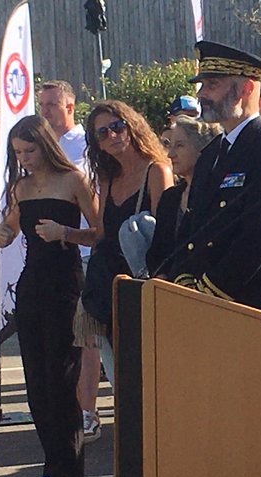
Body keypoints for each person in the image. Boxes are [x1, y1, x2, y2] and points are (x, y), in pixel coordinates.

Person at [0, 115, 100, 477]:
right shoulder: (21, 187)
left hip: (65, 284)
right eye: (18, 153)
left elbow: (102, 231)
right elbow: (10, 227)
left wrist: (66, 233)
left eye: (30, 150)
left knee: (61, 381)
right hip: (32, 284)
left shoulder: (74, 180)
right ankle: (53, 469)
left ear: (45, 145)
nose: (25, 159)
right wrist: (2, 233)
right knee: (37, 384)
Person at [168, 41, 261, 312]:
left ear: (247, 88)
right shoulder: (212, 152)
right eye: (202, 86)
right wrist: (183, 279)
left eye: (212, 85)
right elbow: (193, 226)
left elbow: (260, 232)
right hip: (207, 304)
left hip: (251, 302)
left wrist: (210, 290)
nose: (202, 94)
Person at [82, 100, 172, 383]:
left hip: (143, 283)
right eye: (102, 133)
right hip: (110, 286)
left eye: (117, 127)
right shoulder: (108, 179)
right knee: (119, 372)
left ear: (132, 127)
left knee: (151, 369)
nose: (112, 136)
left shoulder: (157, 170)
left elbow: (165, 234)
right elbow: (101, 235)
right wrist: (65, 233)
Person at [38, 79, 104, 443]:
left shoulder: (83, 145)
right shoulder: (44, 146)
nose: (44, 111)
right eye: (41, 105)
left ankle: (87, 411)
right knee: (62, 338)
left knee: (86, 338)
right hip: (52, 254)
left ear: (69, 107)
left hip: (84, 249)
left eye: (50, 105)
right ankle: (67, 410)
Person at [147, 117, 221, 276]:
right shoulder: (170, 197)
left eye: (179, 146)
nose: (170, 154)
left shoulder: (217, 194)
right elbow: (157, 251)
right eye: (169, 146)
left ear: (203, 149)